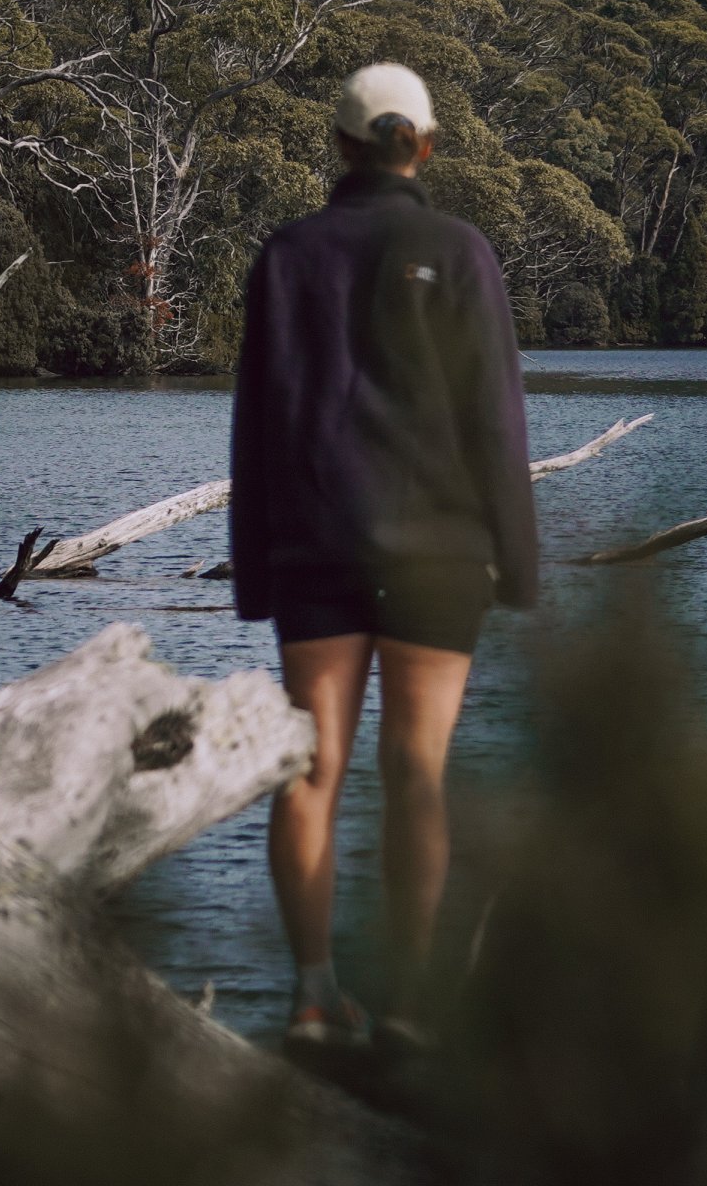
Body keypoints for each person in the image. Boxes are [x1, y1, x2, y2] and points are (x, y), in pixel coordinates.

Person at [230, 61, 539, 1054]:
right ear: (427, 147)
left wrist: (253, 573)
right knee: (418, 773)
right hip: (442, 554)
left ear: (341, 147)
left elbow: (258, 424)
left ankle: (315, 1000)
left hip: (314, 548)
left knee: (311, 771)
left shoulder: (287, 253)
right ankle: (408, 1004)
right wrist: (520, 563)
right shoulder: (460, 251)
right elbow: (494, 421)